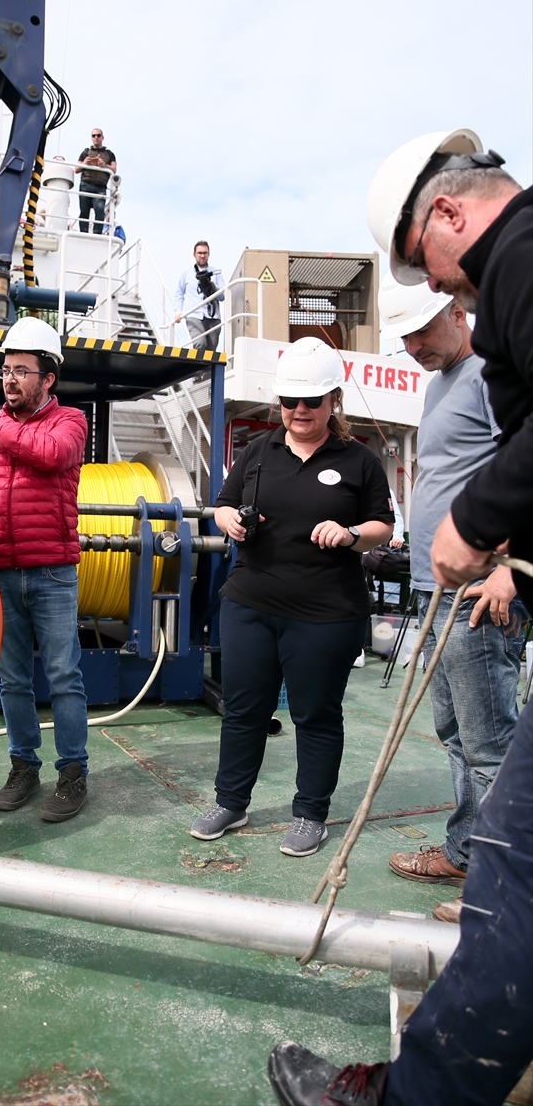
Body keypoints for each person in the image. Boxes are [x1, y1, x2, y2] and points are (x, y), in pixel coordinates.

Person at [264, 129, 533, 1106]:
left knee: (517, 866)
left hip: (471, 585)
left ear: (449, 215)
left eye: (434, 277)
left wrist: (482, 530)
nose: (446, 302)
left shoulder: (516, 262)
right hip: (441, 585)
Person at [190, 337, 394, 855]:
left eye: (311, 401)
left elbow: (382, 527)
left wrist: (350, 533)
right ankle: (230, 802)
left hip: (325, 614)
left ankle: (310, 813)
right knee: (243, 710)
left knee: (316, 715)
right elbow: (222, 505)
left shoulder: (359, 460)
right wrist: (227, 518)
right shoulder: (259, 451)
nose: (299, 411)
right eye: (289, 401)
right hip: (251, 605)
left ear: (334, 401)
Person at [379, 275, 527, 924]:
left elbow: (527, 465)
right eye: (405, 336)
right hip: (435, 594)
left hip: (481, 594)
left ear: (458, 313)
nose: (412, 345)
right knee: (457, 737)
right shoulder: (441, 385)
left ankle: (501, 888)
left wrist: (513, 571)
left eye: (422, 330)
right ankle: (468, 852)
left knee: (492, 745)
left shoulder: (493, 376)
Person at [0, 316, 91, 822]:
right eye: (5, 371)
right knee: (12, 679)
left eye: (20, 370)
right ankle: (23, 767)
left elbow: (51, 456)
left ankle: (73, 773)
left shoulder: (70, 422)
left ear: (47, 379)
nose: (10, 379)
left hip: (52, 571)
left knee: (63, 676)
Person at [174, 241, 226, 352]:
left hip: (213, 316)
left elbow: (222, 297)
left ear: (209, 254)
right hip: (194, 315)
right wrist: (178, 312)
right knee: (200, 343)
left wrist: (213, 287)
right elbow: (179, 293)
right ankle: (197, 369)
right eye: (200, 253)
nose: (202, 255)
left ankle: (207, 370)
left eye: (205, 253)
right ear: (194, 254)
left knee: (211, 350)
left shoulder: (216, 273)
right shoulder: (187, 274)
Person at [75, 128, 116, 234]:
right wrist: (85, 163)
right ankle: (83, 233)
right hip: (85, 184)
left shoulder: (109, 154)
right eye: (94, 136)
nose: (96, 137)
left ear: (102, 137)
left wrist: (104, 165)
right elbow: (76, 169)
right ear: (91, 138)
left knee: (99, 211)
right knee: (84, 211)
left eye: (98, 135)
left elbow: (114, 170)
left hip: (100, 187)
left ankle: (97, 233)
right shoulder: (86, 152)